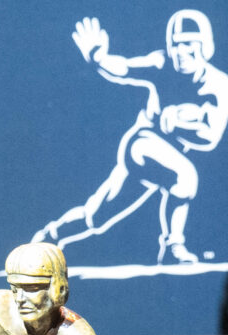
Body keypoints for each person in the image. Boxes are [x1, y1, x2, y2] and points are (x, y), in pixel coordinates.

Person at [32, 11, 228, 264]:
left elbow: (210, 137)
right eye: (176, 44)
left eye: (189, 43)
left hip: (168, 156)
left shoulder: (219, 85)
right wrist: (98, 57)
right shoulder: (162, 63)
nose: (181, 51)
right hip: (142, 145)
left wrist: (178, 122)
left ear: (205, 45)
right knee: (185, 178)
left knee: (95, 217)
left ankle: (49, 236)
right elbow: (125, 67)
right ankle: (172, 246)